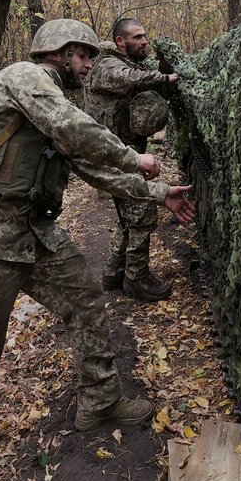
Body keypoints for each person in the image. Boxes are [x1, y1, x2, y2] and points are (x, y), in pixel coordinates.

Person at [0, 19, 195, 479]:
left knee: (86, 300)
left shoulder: (51, 99)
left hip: (31, 232)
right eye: (84, 55)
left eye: (92, 56)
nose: (90, 65)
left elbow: (91, 166)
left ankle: (100, 399)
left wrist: (159, 192)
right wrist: (135, 157)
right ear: (58, 52)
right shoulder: (26, 79)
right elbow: (76, 131)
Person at [85, 18, 179, 302]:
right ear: (120, 42)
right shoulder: (106, 67)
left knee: (128, 216)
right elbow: (128, 79)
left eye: (145, 36)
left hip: (125, 151)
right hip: (115, 155)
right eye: (137, 37)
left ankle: (114, 273)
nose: (144, 41)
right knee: (141, 211)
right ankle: (137, 278)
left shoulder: (130, 64)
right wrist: (163, 79)